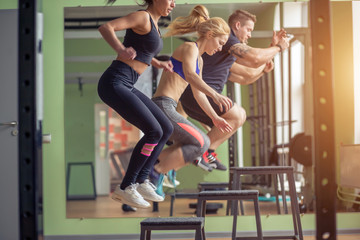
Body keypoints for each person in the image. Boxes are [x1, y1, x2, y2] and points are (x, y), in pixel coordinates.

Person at [179, 9, 290, 171]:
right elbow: (254, 59)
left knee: (231, 123)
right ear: (237, 25)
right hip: (199, 95)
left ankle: (184, 160)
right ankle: (203, 152)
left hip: (196, 99)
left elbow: (247, 76)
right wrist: (279, 47)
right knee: (238, 115)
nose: (250, 35)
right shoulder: (229, 39)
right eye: (249, 30)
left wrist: (270, 53)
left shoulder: (224, 55)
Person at [97, 0, 176, 209]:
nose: (173, 4)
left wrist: (157, 62)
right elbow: (106, 28)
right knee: (153, 131)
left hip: (127, 83)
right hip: (115, 81)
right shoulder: (142, 17)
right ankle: (126, 186)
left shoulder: (156, 25)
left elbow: (144, 52)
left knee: (165, 129)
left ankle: (142, 181)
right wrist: (120, 49)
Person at [149, 5, 233, 191]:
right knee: (202, 142)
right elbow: (191, 76)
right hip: (163, 106)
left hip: (168, 107)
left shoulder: (200, 60)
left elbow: (198, 93)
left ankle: (155, 166)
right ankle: (156, 172)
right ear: (210, 35)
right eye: (220, 43)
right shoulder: (189, 48)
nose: (220, 48)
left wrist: (214, 117)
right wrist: (216, 95)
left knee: (197, 142)